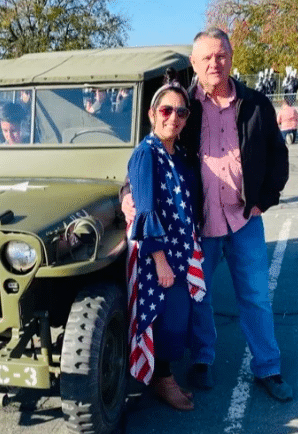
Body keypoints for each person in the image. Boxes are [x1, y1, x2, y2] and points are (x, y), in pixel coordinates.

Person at [122, 27, 293, 402]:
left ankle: (269, 367)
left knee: (255, 296)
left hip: (244, 218)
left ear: (231, 58)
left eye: (221, 55)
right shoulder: (183, 106)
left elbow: (278, 155)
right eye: (206, 58)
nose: (215, 63)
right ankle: (203, 360)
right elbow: (147, 157)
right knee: (200, 295)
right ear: (194, 64)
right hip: (200, 225)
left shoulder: (255, 103)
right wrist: (127, 195)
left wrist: (266, 197)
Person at [127, 78, 205, 411]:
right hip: (160, 255)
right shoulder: (146, 154)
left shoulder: (179, 153)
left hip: (182, 251)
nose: (174, 117)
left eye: (181, 112)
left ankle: (166, 375)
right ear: (152, 114)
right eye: (166, 110)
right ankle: (162, 379)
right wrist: (159, 260)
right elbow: (145, 208)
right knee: (167, 320)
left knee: (179, 317)